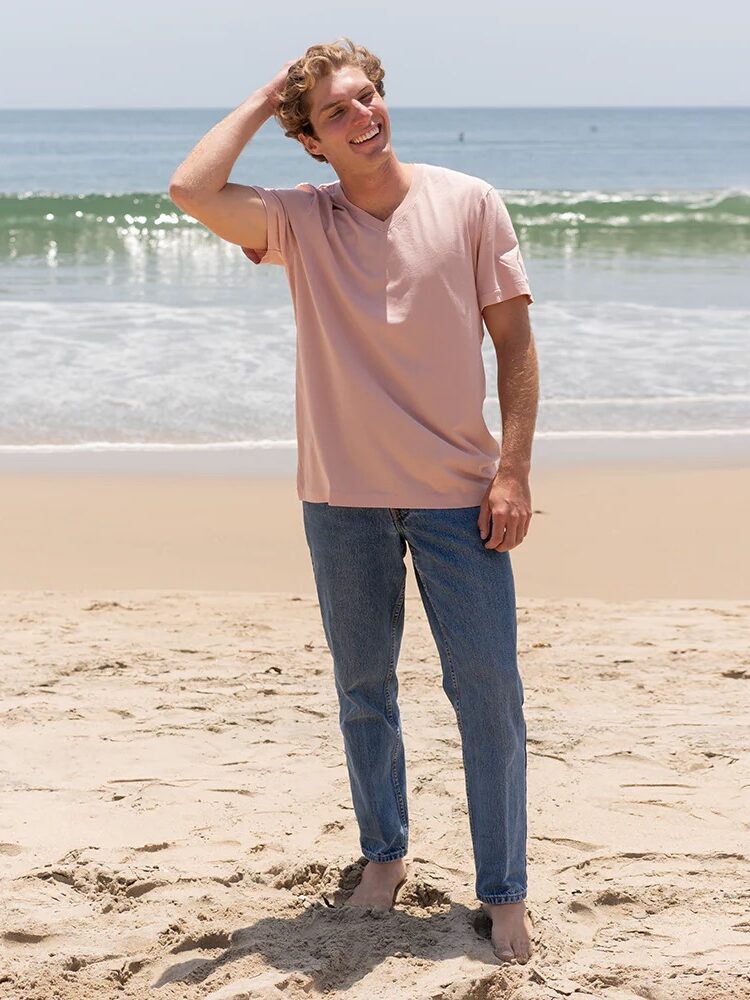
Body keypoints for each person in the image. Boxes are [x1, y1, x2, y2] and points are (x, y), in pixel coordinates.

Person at [169, 37, 540, 965]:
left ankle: (505, 892)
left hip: (461, 498)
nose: (362, 117)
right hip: (342, 503)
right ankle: (384, 855)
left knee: (488, 692)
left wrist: (514, 471)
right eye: (335, 112)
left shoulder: (469, 202)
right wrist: (268, 93)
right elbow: (190, 190)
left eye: (367, 97)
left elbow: (517, 348)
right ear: (311, 142)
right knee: (364, 690)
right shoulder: (300, 219)